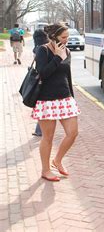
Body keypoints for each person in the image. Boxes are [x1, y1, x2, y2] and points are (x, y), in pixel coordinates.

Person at [32, 24, 80, 182]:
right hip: (47, 100)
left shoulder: (67, 51)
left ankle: (57, 160)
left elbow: (67, 76)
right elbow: (42, 74)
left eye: (67, 37)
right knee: (48, 137)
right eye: (63, 37)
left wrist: (71, 97)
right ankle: (46, 170)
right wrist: (58, 57)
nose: (67, 40)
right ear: (53, 37)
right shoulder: (43, 50)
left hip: (65, 99)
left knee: (72, 133)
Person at [31, 28, 49, 137]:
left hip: (39, 80)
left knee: (41, 105)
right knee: (44, 106)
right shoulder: (48, 47)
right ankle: (39, 130)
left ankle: (40, 130)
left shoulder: (36, 48)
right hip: (48, 79)